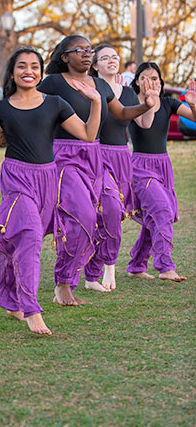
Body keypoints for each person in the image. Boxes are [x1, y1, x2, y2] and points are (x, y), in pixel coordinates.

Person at [0, 47, 102, 335]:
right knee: (31, 238)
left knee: (20, 242)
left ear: (40, 71)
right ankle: (31, 309)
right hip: (16, 179)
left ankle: (11, 297)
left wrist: (96, 102)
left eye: (34, 66)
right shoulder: (0, 108)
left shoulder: (55, 103)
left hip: (47, 179)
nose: (29, 71)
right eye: (21, 66)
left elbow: (88, 134)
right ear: (11, 73)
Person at [37, 35, 156, 306]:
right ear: (65, 57)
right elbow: (32, 103)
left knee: (113, 209)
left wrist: (146, 105)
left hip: (96, 156)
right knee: (83, 215)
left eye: (90, 50)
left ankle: (94, 270)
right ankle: (64, 283)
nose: (87, 54)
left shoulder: (101, 84)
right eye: (79, 50)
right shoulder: (54, 83)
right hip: (65, 157)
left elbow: (122, 113)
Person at [88, 44, 156, 290]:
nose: (111, 61)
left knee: (112, 214)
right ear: (95, 65)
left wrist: (152, 102)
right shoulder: (89, 88)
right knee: (108, 210)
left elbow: (144, 123)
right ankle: (105, 268)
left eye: (115, 57)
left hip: (121, 157)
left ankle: (97, 270)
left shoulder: (127, 93)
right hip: (95, 155)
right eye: (105, 58)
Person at [126, 63, 196, 281]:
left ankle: (137, 264)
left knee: (154, 217)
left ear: (161, 82)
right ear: (137, 81)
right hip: (140, 167)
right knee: (161, 210)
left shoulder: (169, 103)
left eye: (155, 78)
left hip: (163, 165)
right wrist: (148, 102)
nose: (151, 82)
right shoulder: (131, 103)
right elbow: (144, 125)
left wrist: (193, 105)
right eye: (145, 78)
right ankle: (165, 266)